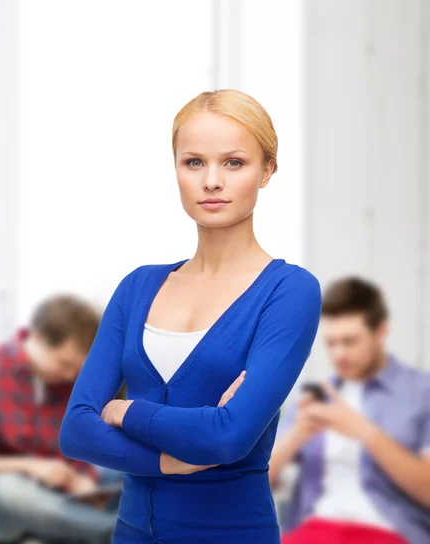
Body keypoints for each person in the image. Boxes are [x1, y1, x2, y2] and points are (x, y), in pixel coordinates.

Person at [59, 89, 322, 544]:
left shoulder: (290, 291)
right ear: (176, 169)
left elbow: (228, 438)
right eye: (194, 162)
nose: (212, 181)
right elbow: (76, 431)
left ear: (267, 171)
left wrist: (125, 411)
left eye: (234, 162)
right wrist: (169, 459)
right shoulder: (137, 286)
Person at [0, 294, 120, 544]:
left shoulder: (67, 382)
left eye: (78, 368)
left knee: (133, 470)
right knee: (7, 492)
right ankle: (115, 533)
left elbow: (79, 453)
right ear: (37, 339)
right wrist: (29, 467)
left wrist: (82, 480)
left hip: (58, 498)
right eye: (65, 364)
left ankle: (99, 526)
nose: (71, 375)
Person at [269, 277, 430, 544]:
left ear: (381, 331)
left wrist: (365, 433)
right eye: (331, 343)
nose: (339, 354)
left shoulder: (422, 392)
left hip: (390, 534)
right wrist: (299, 432)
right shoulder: (315, 397)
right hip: (314, 531)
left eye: (350, 341)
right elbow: (263, 482)